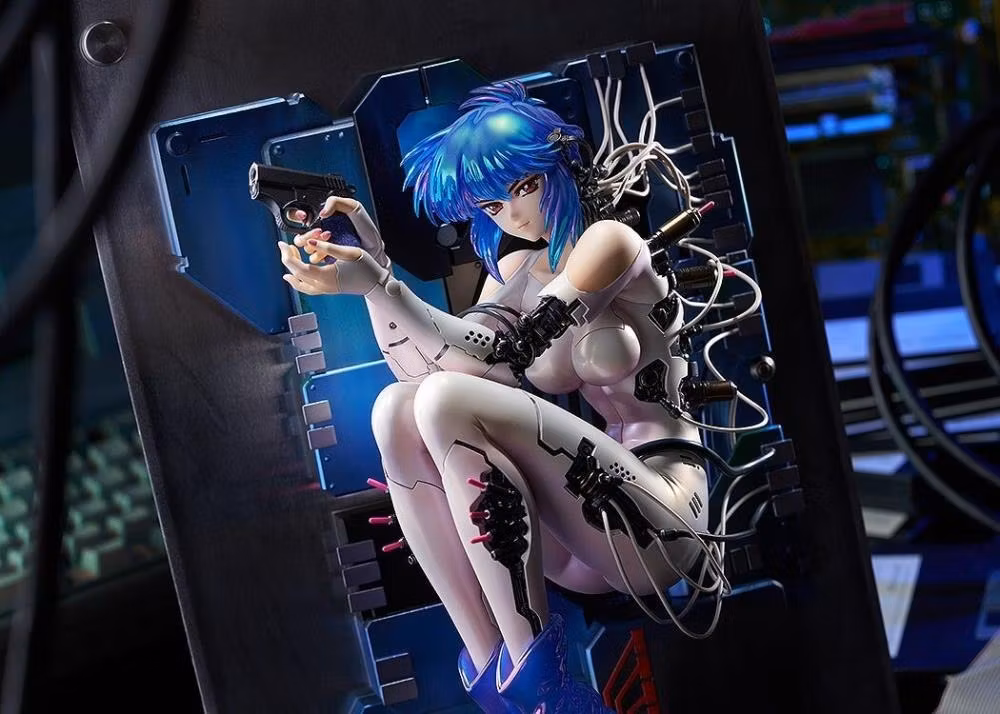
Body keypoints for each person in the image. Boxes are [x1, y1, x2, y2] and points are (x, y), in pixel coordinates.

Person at [278, 81, 710, 714]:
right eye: (491, 203)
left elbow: (511, 348)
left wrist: (386, 286)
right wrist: (375, 278)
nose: (512, 214)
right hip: (572, 538)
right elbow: (433, 364)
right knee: (398, 407)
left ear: (560, 160)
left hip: (660, 514)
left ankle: (541, 683)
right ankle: (494, 668)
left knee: (443, 402)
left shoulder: (612, 243)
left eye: (523, 186)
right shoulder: (516, 272)